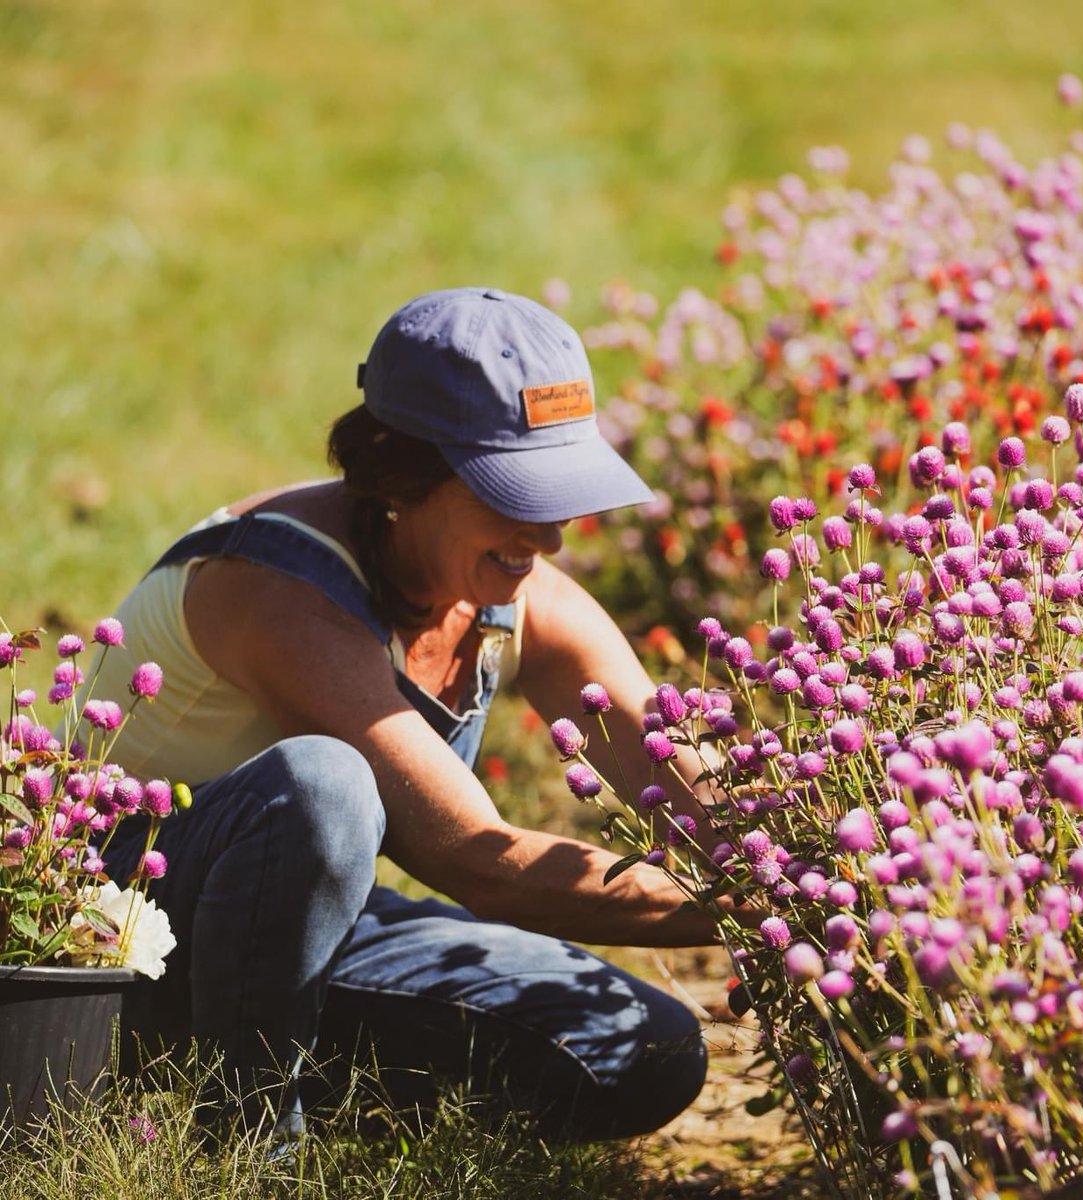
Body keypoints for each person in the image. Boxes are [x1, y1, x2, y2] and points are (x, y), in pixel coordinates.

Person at [91, 286, 721, 1143]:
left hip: (283, 936)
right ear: (402, 475)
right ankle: (249, 1140)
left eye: (558, 493)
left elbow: (688, 784)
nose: (549, 536)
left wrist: (819, 867)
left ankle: (275, 1073)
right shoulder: (278, 592)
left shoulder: (508, 587)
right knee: (322, 785)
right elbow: (483, 864)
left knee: (645, 1046)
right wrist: (762, 910)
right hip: (101, 940)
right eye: (514, 492)